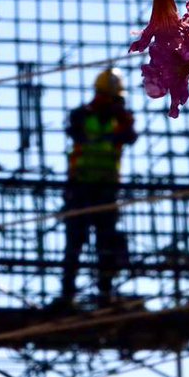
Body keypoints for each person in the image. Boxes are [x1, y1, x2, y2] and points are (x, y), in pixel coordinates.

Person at [54, 68, 138, 309]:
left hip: (106, 190)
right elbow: (74, 129)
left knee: (106, 246)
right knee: (75, 245)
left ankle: (105, 293)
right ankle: (67, 293)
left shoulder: (120, 120)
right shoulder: (82, 115)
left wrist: (120, 115)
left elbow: (130, 136)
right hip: (80, 188)